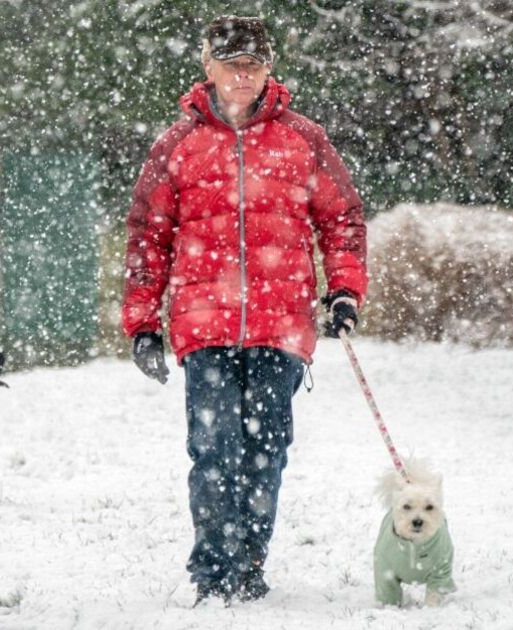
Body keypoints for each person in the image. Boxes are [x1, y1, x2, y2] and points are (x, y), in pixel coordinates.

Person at [120, 14, 367, 605]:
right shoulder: (176, 145)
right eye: (231, 64)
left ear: (268, 69)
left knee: (265, 450)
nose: (242, 75)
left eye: (253, 64)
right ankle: (212, 572)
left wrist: (344, 290)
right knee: (213, 450)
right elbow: (147, 238)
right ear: (207, 67)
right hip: (204, 323)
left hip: (281, 324)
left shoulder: (303, 138)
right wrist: (142, 324)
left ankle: (250, 563)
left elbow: (342, 219)